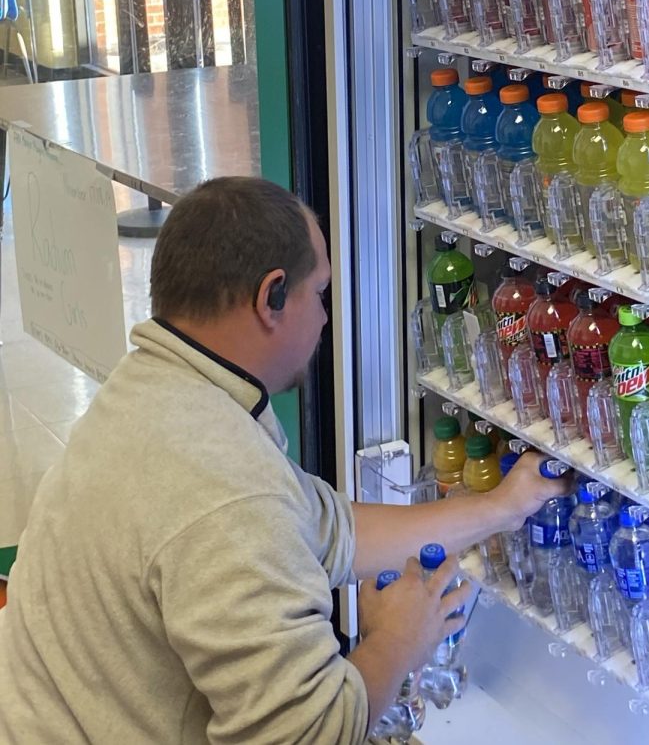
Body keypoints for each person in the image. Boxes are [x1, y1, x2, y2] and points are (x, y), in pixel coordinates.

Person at [0, 177, 568, 744]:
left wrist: (501, 508)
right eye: (318, 294)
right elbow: (306, 735)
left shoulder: (162, 389)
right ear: (271, 296)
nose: (324, 319)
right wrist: (397, 640)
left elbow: (324, 529)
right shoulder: (222, 486)